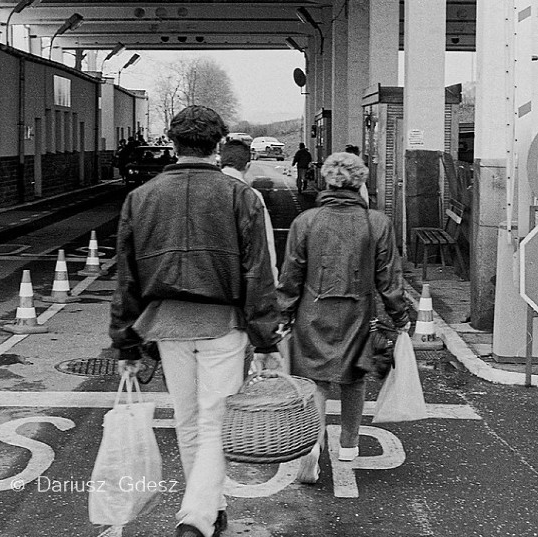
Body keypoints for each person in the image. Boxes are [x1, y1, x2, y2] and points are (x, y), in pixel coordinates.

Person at [110, 105, 282, 537]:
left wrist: (126, 343)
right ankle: (198, 517)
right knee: (214, 422)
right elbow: (257, 274)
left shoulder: (141, 197)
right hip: (222, 325)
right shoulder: (241, 196)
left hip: (166, 325)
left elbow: (127, 277)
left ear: (173, 142)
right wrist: (266, 342)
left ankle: (209, 507)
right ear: (218, 145)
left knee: (188, 421)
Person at [275, 151, 410, 484]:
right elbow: (387, 278)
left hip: (312, 311)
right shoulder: (376, 222)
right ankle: (349, 446)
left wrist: (283, 314)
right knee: (354, 378)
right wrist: (400, 315)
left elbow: (290, 275)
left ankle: (311, 446)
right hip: (358, 312)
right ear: (360, 183)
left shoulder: (305, 221)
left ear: (326, 181)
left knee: (316, 381)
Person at [220, 140, 278, 284]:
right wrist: (272, 283)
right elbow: (265, 244)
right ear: (247, 166)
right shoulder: (252, 195)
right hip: (238, 282)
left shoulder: (203, 189)